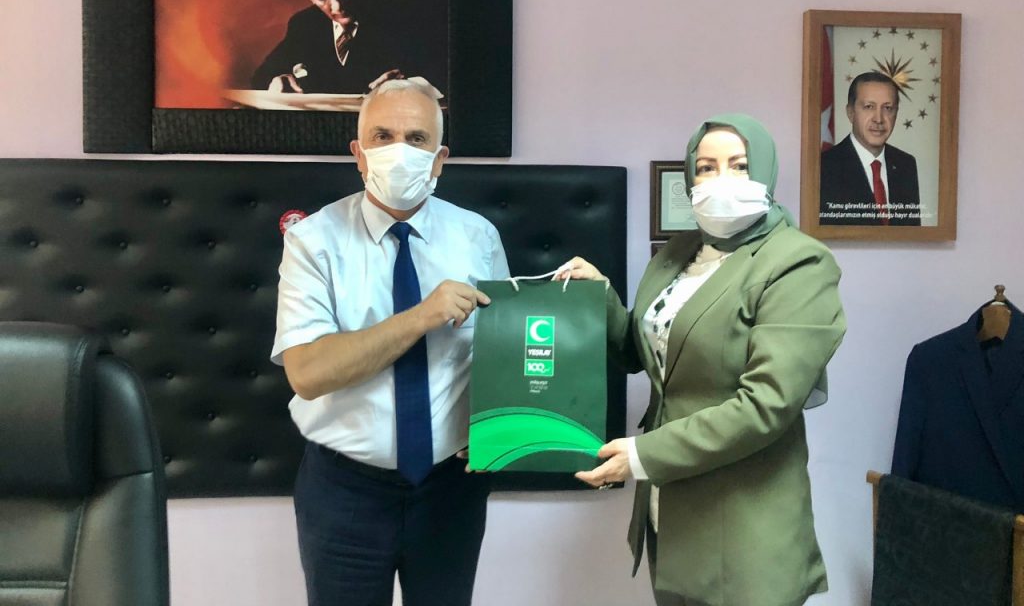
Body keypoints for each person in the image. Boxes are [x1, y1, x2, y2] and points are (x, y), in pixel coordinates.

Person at [559, 114, 846, 606]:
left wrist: (642, 455)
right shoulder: (678, 253)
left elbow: (767, 405)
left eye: (739, 165)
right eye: (707, 167)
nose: (721, 179)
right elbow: (643, 354)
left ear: (766, 171)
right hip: (669, 514)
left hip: (743, 522)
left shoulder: (797, 262)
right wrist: (600, 297)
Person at [271, 76, 509, 606]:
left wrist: (497, 428)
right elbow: (307, 373)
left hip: (450, 488)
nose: (399, 150)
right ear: (358, 153)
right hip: (344, 492)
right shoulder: (313, 242)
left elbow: (500, 352)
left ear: (439, 159)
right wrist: (420, 317)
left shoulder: (478, 237)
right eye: (382, 136)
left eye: (417, 138)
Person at [251, 0, 432, 95]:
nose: (337, 5)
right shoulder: (304, 24)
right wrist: (277, 80)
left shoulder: (401, 19)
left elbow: (439, 77)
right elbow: (260, 78)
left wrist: (411, 84)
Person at [819, 71, 921, 226]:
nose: (879, 119)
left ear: (896, 113)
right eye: (869, 107)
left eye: (888, 108)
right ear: (850, 112)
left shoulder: (906, 165)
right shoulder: (825, 167)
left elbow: (913, 234)